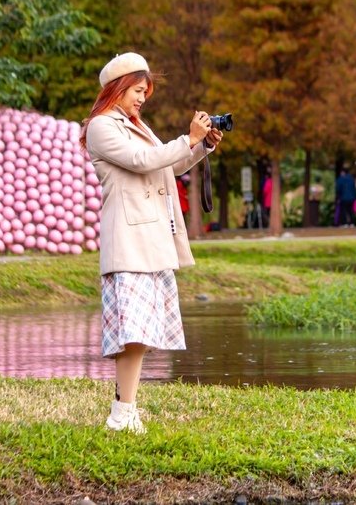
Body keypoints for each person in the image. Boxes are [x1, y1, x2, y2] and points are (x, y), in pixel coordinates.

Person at [81, 51, 222, 433]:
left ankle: (124, 411)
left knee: (139, 333)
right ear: (118, 88)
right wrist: (186, 138)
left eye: (146, 92)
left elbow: (166, 164)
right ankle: (122, 412)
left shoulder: (136, 125)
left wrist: (201, 146)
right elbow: (144, 161)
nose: (143, 98)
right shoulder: (102, 127)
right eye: (138, 90)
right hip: (128, 239)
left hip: (150, 237)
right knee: (134, 331)